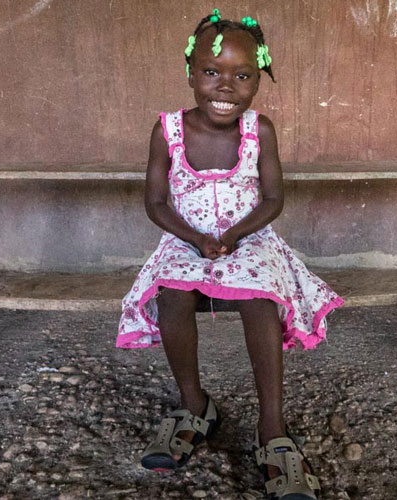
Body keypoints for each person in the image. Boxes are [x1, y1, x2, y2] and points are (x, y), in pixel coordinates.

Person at [117, 9, 343, 500]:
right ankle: (195, 406)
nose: (226, 87)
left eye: (242, 76)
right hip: (183, 237)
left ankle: (273, 430)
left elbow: (273, 200)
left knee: (258, 295)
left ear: (258, 79)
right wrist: (195, 239)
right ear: (191, 73)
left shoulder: (260, 131)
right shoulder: (168, 130)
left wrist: (237, 234)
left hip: (251, 238)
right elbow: (155, 202)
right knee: (171, 292)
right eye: (212, 72)